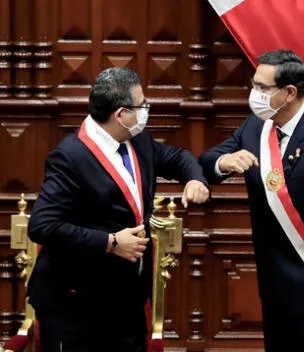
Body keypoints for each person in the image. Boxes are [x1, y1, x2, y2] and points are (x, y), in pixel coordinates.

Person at [27, 67, 210, 352]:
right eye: (142, 105)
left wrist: (195, 178)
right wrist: (110, 242)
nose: (146, 110)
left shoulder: (137, 139)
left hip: (127, 299)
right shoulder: (69, 157)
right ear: (121, 114)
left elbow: (176, 157)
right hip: (75, 306)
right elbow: (43, 226)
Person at [199, 49, 304, 352]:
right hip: (274, 281)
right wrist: (225, 161)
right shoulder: (255, 127)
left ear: (289, 92)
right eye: (254, 86)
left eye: (263, 88)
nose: (255, 94)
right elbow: (208, 162)